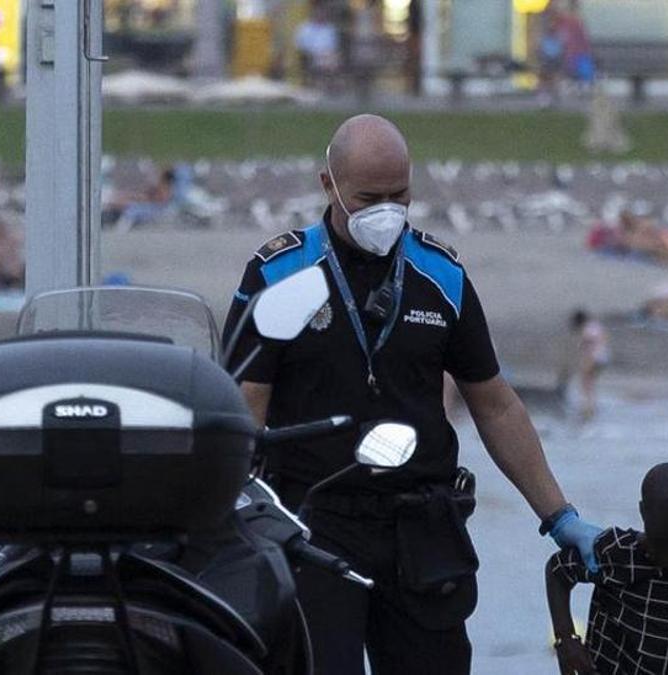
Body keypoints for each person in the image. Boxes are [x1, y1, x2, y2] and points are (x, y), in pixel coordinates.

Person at [223, 114, 602, 675]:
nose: (386, 211)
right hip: (311, 526)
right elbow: (242, 403)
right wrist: (225, 515)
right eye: (369, 197)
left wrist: (560, 517)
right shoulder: (280, 273)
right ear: (328, 184)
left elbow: (494, 403)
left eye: (399, 195)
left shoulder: (440, 275)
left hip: (421, 528)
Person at [546, 462, 668, 675]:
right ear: (643, 512)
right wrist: (566, 640)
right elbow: (557, 570)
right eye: (660, 542)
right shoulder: (619, 553)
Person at [568, 309, 609, 421]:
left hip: (594, 357)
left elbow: (590, 342)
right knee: (589, 382)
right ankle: (590, 407)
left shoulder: (588, 328)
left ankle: (588, 408)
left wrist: (584, 353)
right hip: (602, 357)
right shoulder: (596, 325)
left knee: (586, 383)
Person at [296, 4, 342, 91]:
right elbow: (300, 45)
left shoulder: (330, 28)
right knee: (325, 61)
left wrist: (328, 53)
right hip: (311, 54)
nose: (320, 15)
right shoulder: (305, 28)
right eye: (318, 13)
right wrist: (312, 53)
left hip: (327, 54)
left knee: (332, 59)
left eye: (322, 14)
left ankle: (329, 85)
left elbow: (333, 45)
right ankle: (325, 85)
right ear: (313, 14)